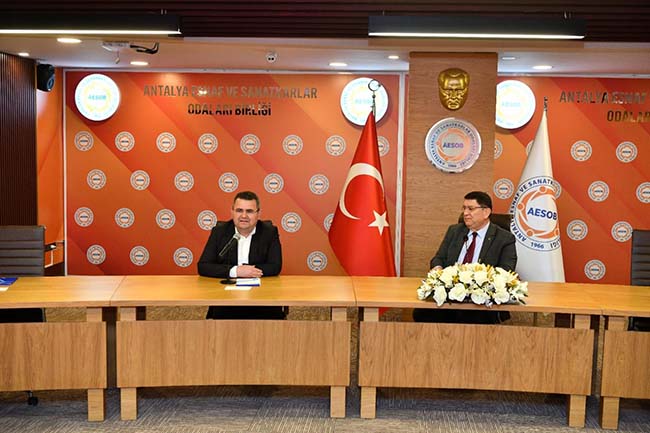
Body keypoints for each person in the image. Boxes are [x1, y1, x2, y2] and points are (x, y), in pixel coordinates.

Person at [413, 191, 517, 324]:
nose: (465, 213)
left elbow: (506, 270)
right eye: (464, 208)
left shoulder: (504, 238)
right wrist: (438, 268)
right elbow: (439, 258)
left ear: (486, 212)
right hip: (450, 295)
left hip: (482, 300)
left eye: (471, 209)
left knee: (471, 318)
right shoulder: (454, 231)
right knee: (421, 313)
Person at [198, 190, 284, 320]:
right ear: (232, 211)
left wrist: (250, 271)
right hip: (226, 298)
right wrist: (236, 271)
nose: (244, 216)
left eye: (249, 211)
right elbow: (203, 266)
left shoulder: (269, 232)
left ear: (258, 213)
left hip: (261, 297)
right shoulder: (220, 232)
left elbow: (275, 266)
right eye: (239, 210)